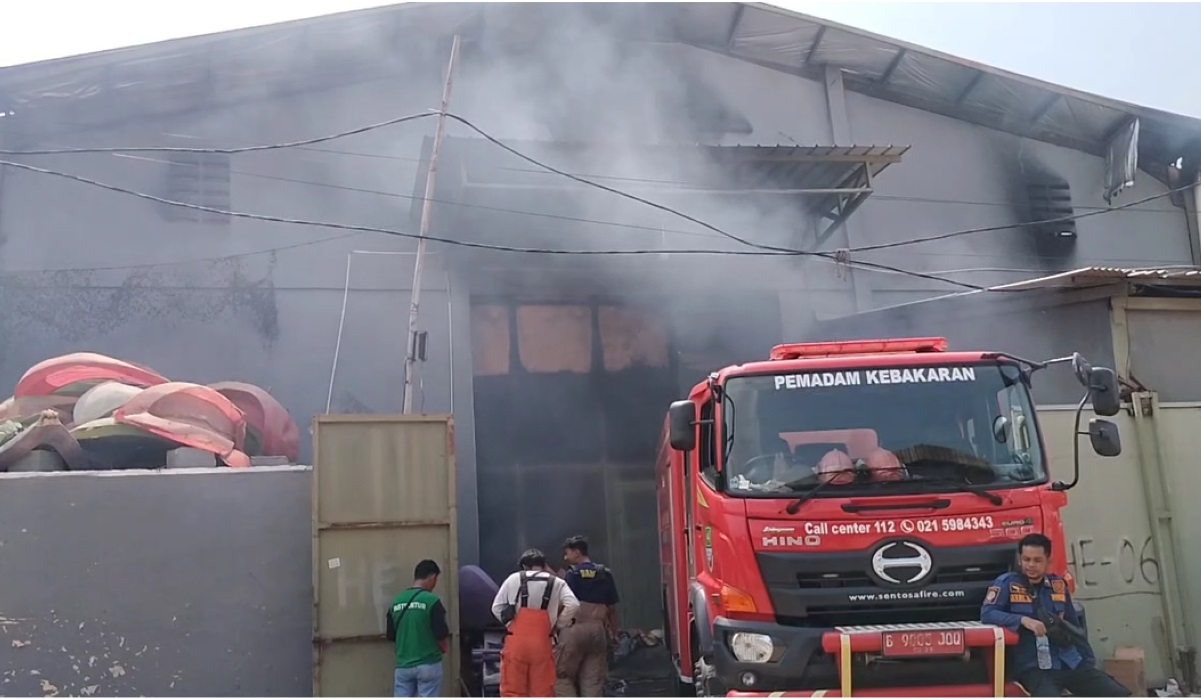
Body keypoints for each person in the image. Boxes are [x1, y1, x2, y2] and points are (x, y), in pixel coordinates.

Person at [981, 533, 1131, 697]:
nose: (1030, 565)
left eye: (1037, 560)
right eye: (1026, 559)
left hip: (1069, 662)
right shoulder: (1007, 583)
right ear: (1019, 559)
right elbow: (988, 613)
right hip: (1034, 667)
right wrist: (1023, 620)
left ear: (1048, 561)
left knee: (1118, 694)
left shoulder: (1058, 586)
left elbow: (1074, 627)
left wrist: (1087, 662)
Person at [492, 548, 580, 697]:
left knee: (513, 690)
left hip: (516, 643)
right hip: (543, 642)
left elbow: (496, 607)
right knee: (542, 691)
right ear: (544, 565)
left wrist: (511, 625)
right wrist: (558, 624)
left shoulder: (514, 579)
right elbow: (574, 604)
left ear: (524, 566)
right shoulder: (557, 583)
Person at [556, 535, 620, 697]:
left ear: (577, 552)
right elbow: (611, 608)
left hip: (575, 629)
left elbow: (565, 604)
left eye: (568, 553)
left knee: (561, 676)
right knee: (593, 680)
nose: (565, 557)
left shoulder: (572, 575)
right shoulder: (605, 573)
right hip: (598, 631)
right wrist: (615, 633)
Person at [386, 559, 451, 698]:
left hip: (403, 665)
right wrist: (444, 647)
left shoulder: (396, 602)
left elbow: (391, 635)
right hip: (428, 664)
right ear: (432, 577)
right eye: (436, 579)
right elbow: (440, 633)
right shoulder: (432, 601)